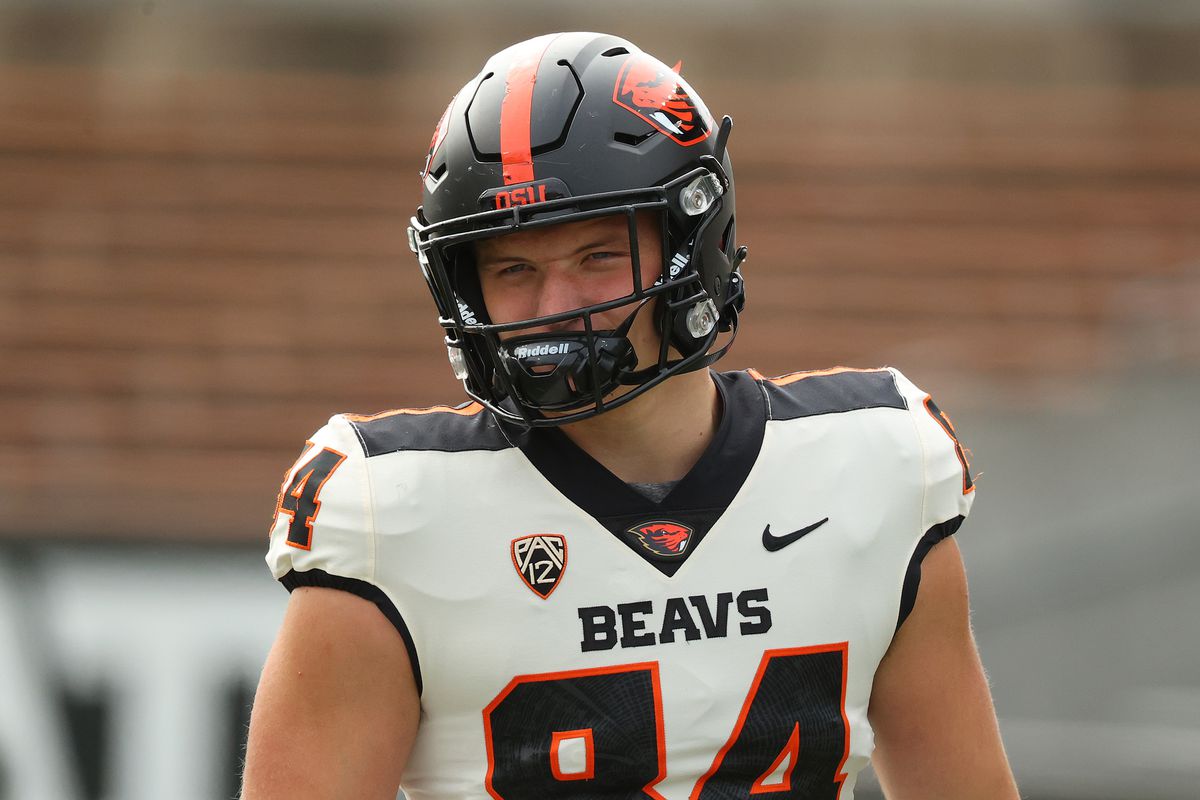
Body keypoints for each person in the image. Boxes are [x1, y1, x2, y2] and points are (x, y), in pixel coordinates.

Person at [242, 32, 1019, 800]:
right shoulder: (387, 517)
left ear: (693, 244)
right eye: (514, 270)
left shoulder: (872, 466)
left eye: (597, 257)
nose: (555, 309)